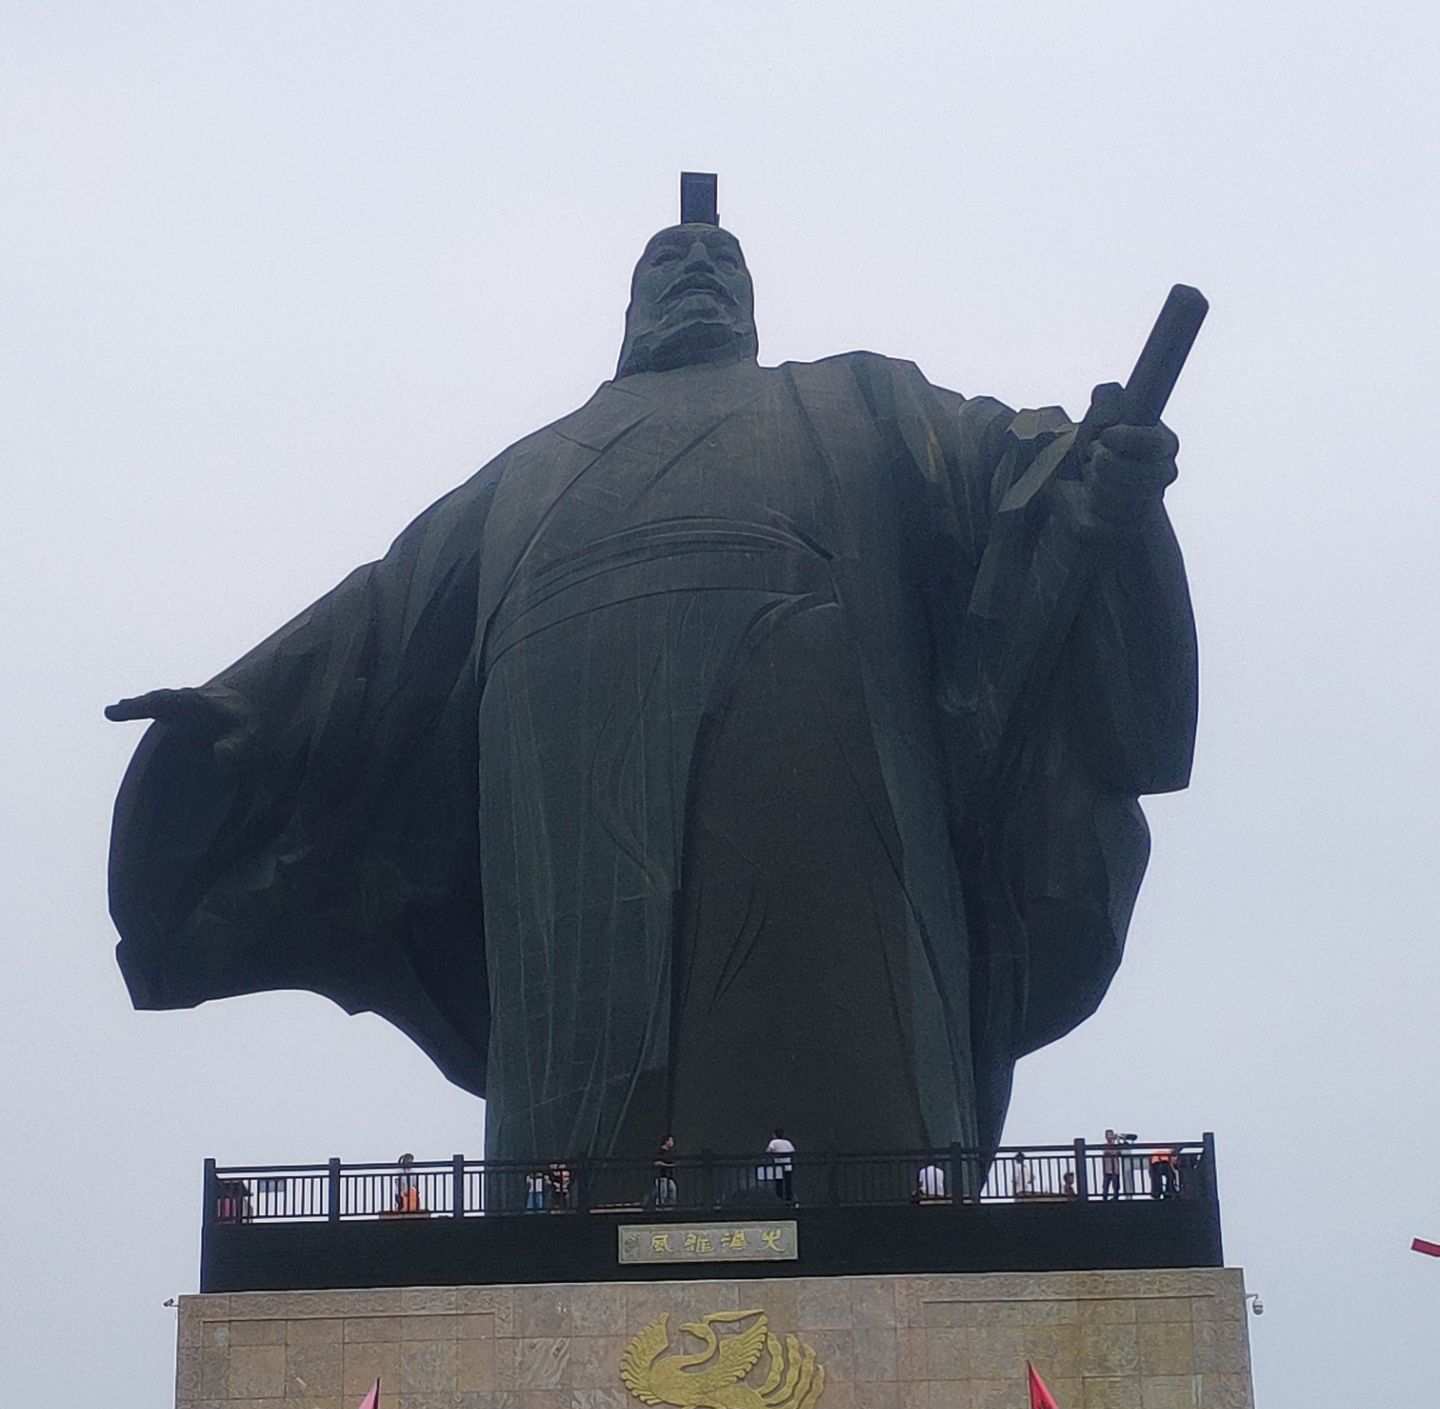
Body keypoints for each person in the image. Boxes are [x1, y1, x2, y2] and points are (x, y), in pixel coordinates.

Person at [107, 210, 1197, 1177]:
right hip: (572, 805)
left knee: (862, 1066)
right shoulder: (531, 469)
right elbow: (379, 621)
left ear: (755, 311)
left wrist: (1086, 470)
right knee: (585, 1094)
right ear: (626, 310)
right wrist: (239, 716)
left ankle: (890, 1196)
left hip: (825, 766)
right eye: (669, 262)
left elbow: (1009, 465)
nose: (698, 274)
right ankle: (567, 1207)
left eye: (723, 263)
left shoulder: (858, 396)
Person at [765, 1129, 796, 1204]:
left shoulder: (773, 1142)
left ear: (774, 1135)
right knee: (788, 1183)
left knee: (779, 1183)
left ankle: (780, 1199)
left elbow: (768, 1150)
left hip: (779, 1166)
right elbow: (793, 1150)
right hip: (787, 1165)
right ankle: (789, 1198)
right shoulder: (787, 1142)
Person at [653, 1135, 677, 1209]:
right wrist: (667, 1165)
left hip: (669, 1177)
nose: (672, 1143)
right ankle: (659, 1210)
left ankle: (669, 1209)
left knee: (673, 1191)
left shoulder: (669, 1152)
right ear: (666, 1141)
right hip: (662, 1177)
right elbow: (656, 1163)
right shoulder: (660, 1151)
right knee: (662, 1195)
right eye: (671, 1140)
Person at [1101, 1129, 1122, 1200]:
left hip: (1115, 1169)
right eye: (1108, 1135)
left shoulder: (1116, 1146)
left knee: (1116, 1186)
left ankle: (1115, 1197)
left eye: (1111, 1135)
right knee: (1105, 1186)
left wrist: (1118, 1141)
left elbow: (1119, 1152)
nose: (1110, 1137)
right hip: (1107, 1169)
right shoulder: (1104, 1146)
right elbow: (1107, 1152)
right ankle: (1105, 1198)